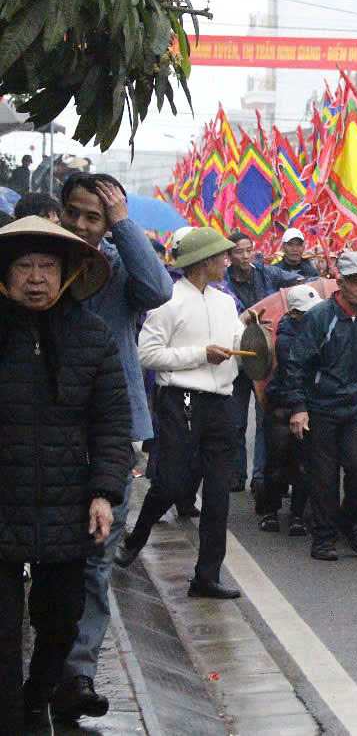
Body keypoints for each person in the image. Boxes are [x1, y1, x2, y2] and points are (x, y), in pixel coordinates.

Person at [0, 217, 130, 733]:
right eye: (25, 267)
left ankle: (39, 695)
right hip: (2, 501)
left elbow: (112, 422)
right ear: (6, 277)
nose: (36, 278)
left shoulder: (92, 335)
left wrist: (104, 492)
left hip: (68, 504)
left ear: (67, 274)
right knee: (3, 633)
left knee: (60, 621)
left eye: (48, 267)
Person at [54, 172, 172, 722]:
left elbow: (159, 291)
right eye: (74, 213)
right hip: (45, 430)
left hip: (112, 431)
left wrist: (124, 225)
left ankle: (78, 673)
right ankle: (44, 666)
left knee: (97, 559)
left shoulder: (122, 271)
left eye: (94, 217)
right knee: (48, 555)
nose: (81, 225)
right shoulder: (39, 266)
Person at [117, 228, 245, 600]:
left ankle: (206, 576)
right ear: (204, 261)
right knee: (171, 482)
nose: (227, 259)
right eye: (222, 255)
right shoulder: (168, 301)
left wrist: (250, 336)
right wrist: (200, 354)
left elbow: (236, 341)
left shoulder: (225, 302)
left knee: (219, 494)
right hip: (181, 401)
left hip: (222, 402)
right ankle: (135, 537)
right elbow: (147, 354)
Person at [282, 250, 357, 562]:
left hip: (355, 405)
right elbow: (296, 365)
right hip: (322, 407)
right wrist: (298, 407)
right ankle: (324, 537)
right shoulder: (320, 318)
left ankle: (352, 521)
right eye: (355, 282)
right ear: (340, 283)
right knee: (324, 477)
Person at [224, 231, 301, 493]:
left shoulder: (268, 274)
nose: (245, 256)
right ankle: (235, 474)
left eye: (249, 250)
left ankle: (259, 476)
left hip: (265, 358)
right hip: (235, 357)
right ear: (228, 256)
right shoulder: (221, 284)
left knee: (263, 419)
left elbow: (297, 282)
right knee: (235, 421)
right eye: (239, 251)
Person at [257, 284, 323, 536]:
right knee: (277, 463)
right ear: (294, 314)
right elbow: (296, 375)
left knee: (304, 465)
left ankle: (297, 515)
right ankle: (270, 512)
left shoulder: (317, 331)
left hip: (308, 405)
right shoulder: (286, 340)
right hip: (283, 406)